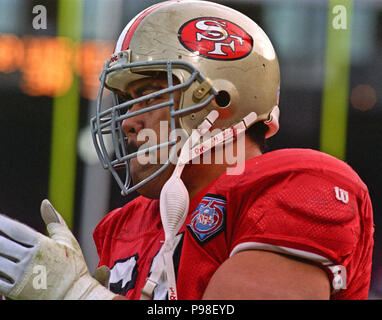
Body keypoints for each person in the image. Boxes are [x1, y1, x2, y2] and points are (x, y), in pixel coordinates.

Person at [0, 0, 374, 300]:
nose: (129, 121)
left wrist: (80, 295)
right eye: (127, 101)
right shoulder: (126, 225)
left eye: (148, 95)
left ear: (219, 100)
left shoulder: (302, 186)